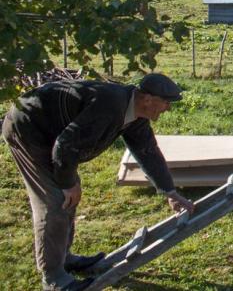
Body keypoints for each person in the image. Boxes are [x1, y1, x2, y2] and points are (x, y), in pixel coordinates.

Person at [2, 73, 195, 291]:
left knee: (68, 196)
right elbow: (65, 146)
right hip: (28, 128)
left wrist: (170, 192)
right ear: (148, 99)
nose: (168, 108)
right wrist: (67, 183)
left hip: (55, 137)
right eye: (166, 102)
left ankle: (64, 257)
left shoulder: (136, 113)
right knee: (55, 201)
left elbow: (147, 151)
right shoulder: (110, 105)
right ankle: (54, 278)